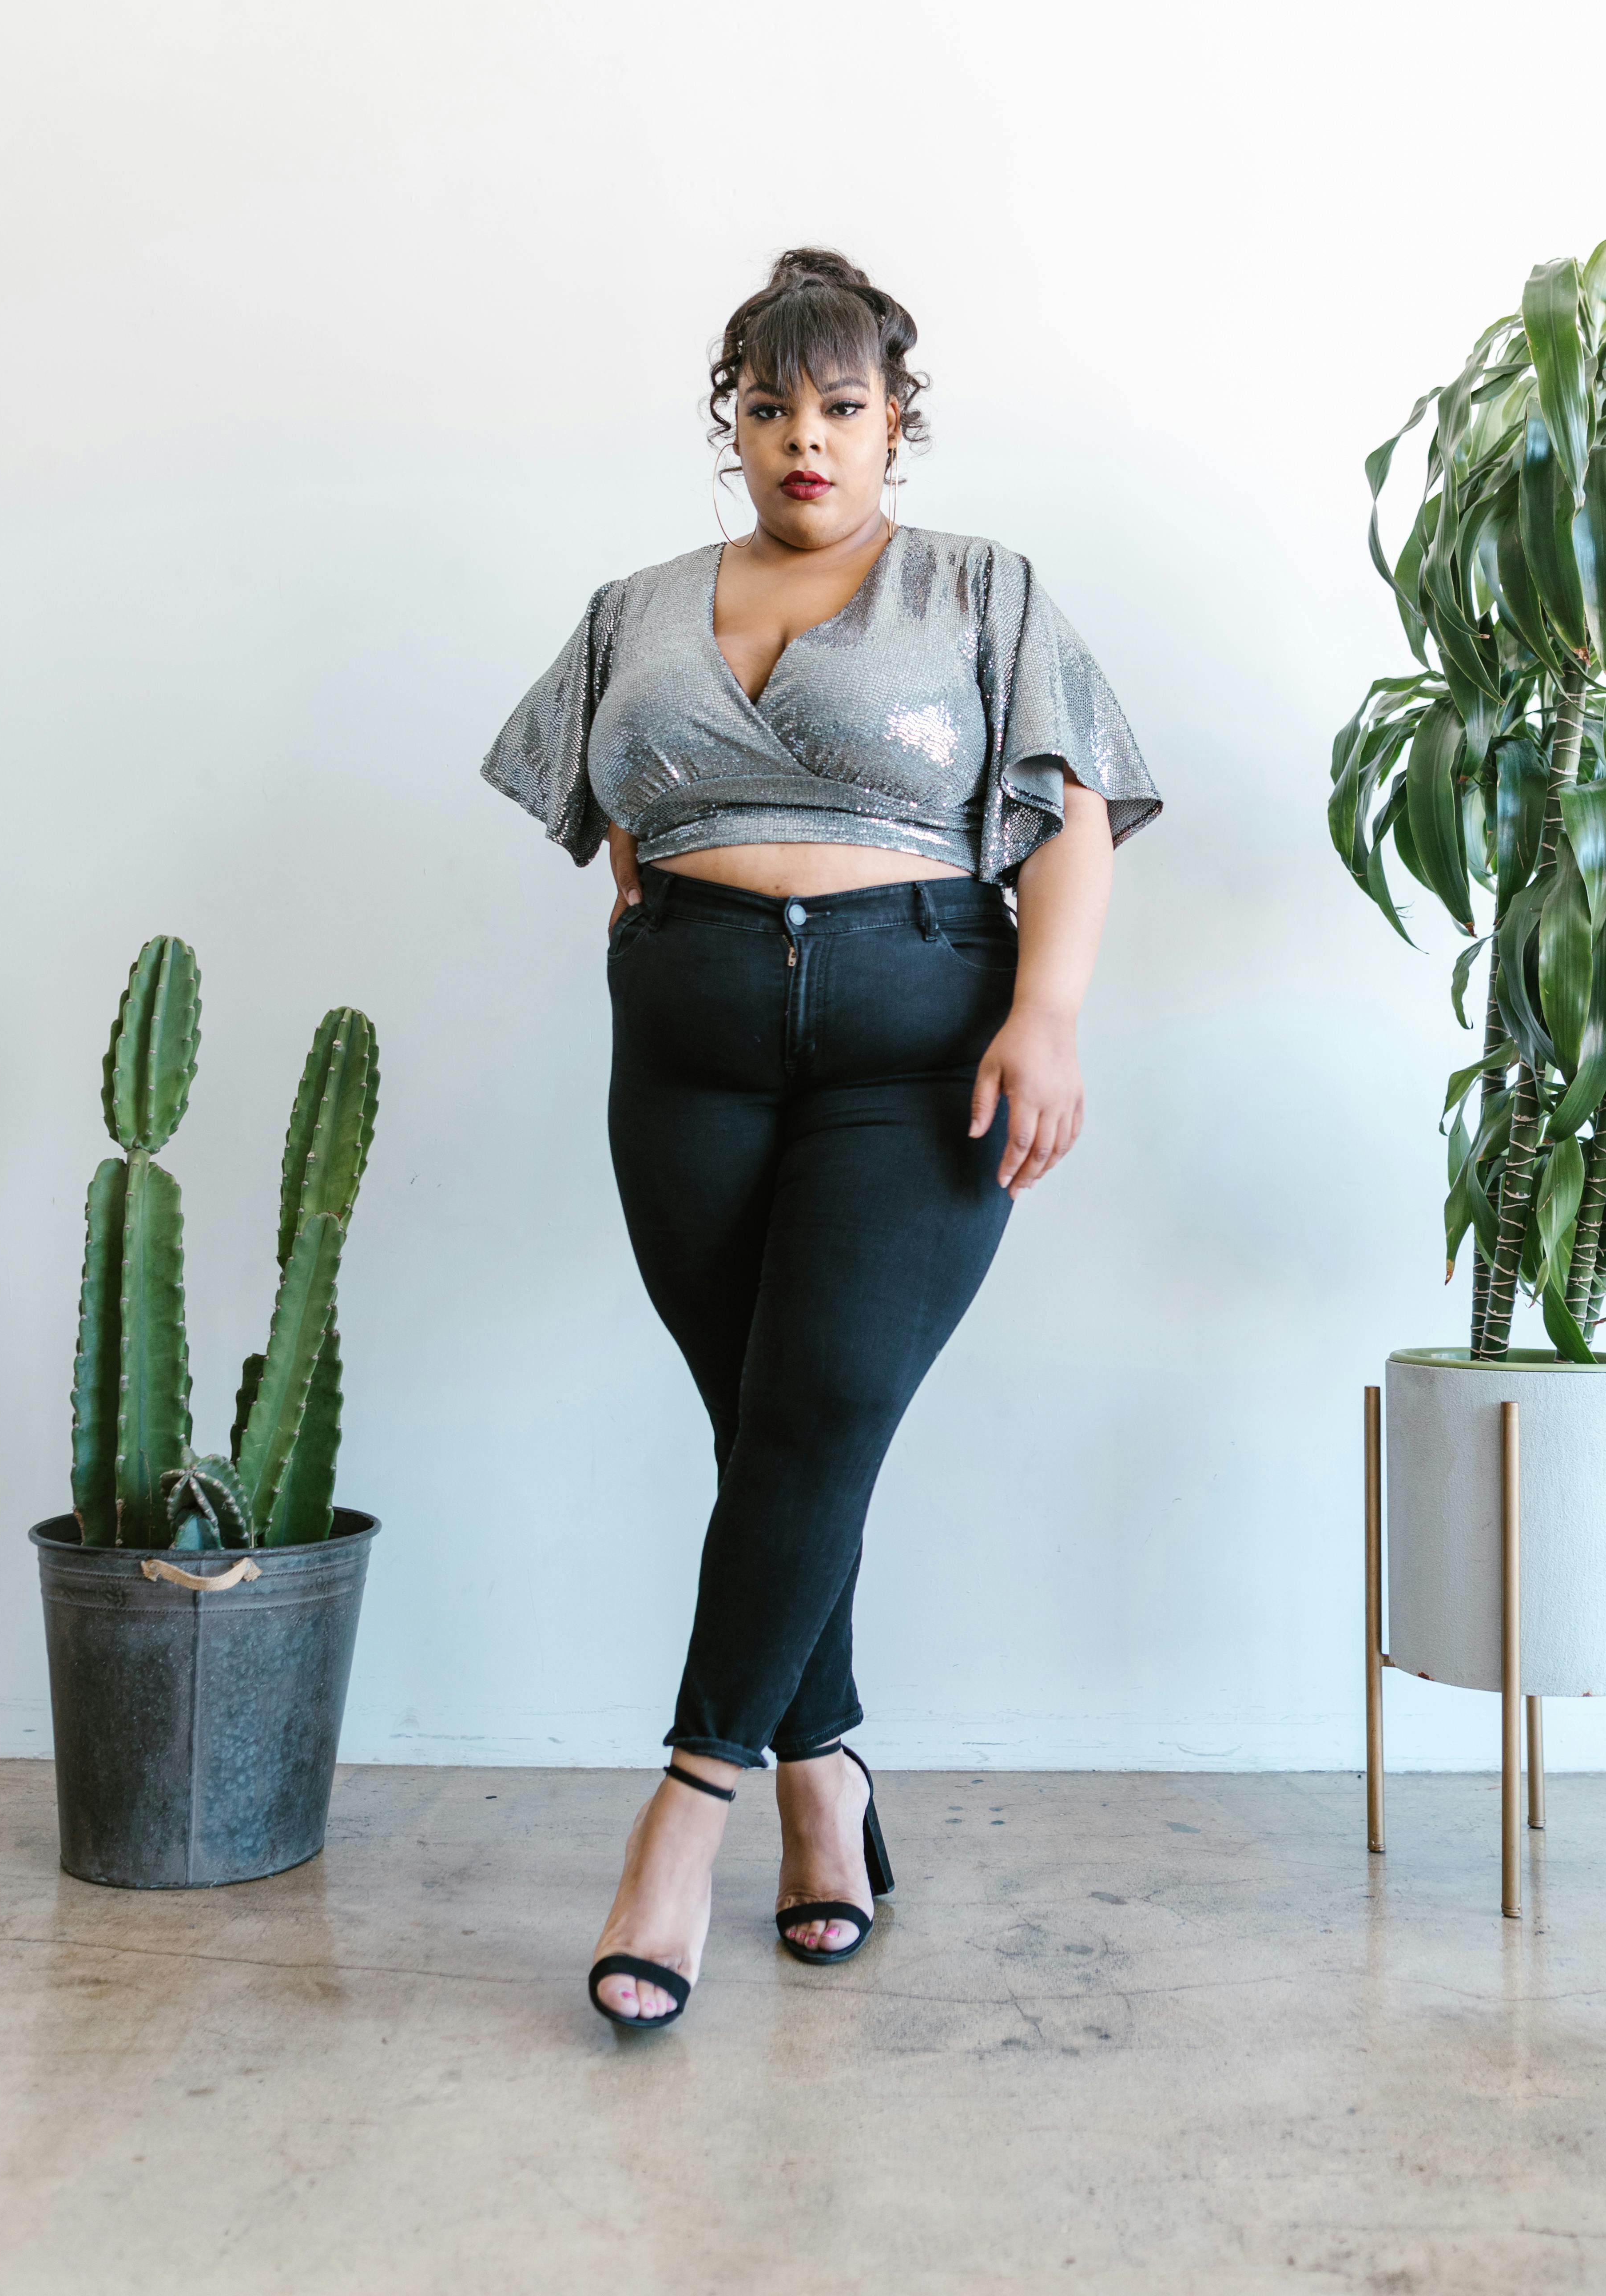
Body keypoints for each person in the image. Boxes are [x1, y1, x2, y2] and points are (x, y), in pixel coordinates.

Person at [483, 248, 1161, 2030]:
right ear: (734, 420)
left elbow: (1073, 816)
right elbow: (618, 824)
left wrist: (1048, 1011)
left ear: (894, 421)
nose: (804, 438)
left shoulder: (979, 588)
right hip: (688, 1056)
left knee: (815, 1412)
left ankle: (682, 1818)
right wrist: (683, 943)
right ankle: (829, 1776)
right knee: (774, 1432)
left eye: (840, 406)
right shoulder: (634, 606)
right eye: (770, 406)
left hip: (918, 1039)